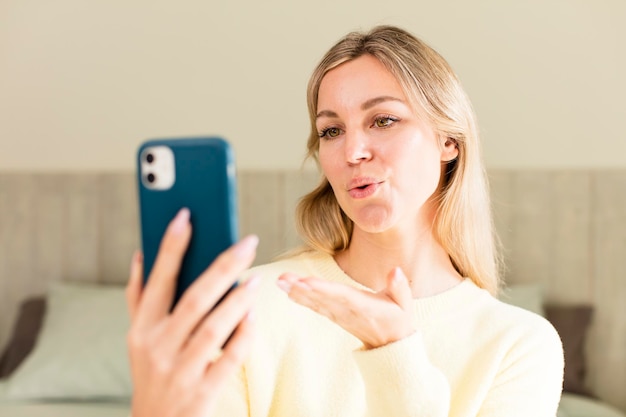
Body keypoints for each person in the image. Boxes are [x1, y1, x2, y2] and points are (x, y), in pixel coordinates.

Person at [126, 25, 564, 417]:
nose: (353, 151)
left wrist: (396, 355)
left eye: (383, 120)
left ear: (448, 140)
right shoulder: (253, 306)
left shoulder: (519, 346)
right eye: (331, 130)